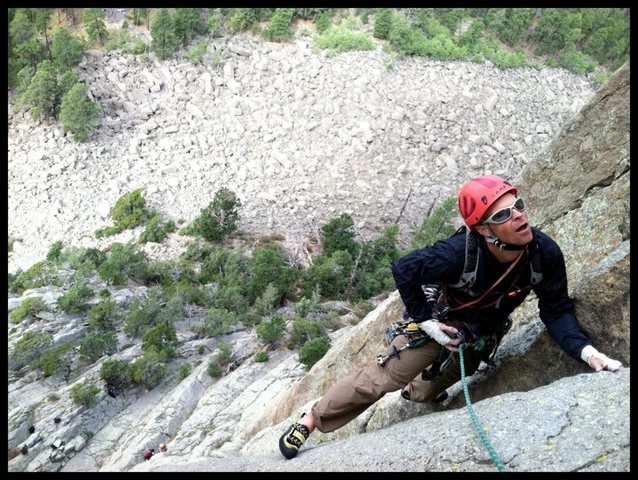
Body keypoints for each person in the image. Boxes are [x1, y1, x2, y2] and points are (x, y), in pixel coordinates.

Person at [278, 174, 623, 460]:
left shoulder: (543, 254)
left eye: (518, 206)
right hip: (439, 324)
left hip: (479, 333)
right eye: (502, 215)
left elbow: (556, 310)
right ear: (485, 230)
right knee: (382, 379)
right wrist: (425, 319)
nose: (518, 216)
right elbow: (405, 268)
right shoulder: (459, 253)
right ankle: (311, 419)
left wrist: (586, 352)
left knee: (427, 392)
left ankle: (417, 391)